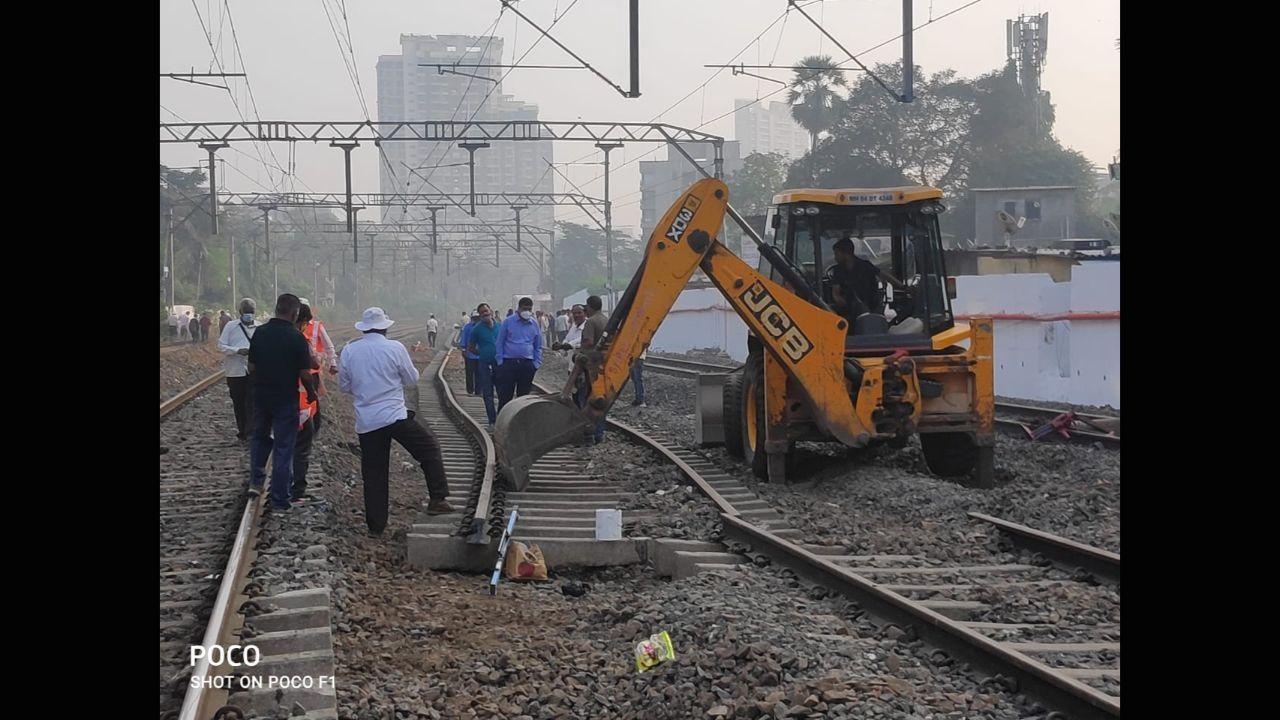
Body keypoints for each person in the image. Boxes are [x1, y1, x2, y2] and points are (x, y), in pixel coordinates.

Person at [339, 307, 453, 536]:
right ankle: (437, 499)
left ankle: (376, 526)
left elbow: (345, 386)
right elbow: (412, 379)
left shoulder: (349, 351)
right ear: (384, 327)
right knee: (429, 449)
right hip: (394, 415)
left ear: (364, 328)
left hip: (367, 421)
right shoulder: (395, 348)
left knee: (374, 473)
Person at [248, 294, 318, 511]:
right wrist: (311, 393)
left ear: (276, 308)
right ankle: (280, 499)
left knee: (259, 437)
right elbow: (305, 374)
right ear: (295, 313)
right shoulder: (297, 338)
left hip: (261, 395)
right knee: (284, 446)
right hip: (285, 399)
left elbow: (251, 367)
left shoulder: (260, 332)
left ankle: (256, 481)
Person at [827, 237, 905, 325]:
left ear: (846, 253)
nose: (835, 257)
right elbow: (836, 291)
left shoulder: (865, 266)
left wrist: (904, 287)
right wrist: (839, 300)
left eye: (837, 254)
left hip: (871, 306)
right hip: (848, 308)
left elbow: (884, 275)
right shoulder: (838, 270)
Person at [218, 298, 258, 442]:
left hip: (254, 371)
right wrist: (237, 351)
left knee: (253, 401)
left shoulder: (259, 328)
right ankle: (242, 429)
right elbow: (221, 346)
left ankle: (251, 430)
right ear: (240, 312)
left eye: (251, 312)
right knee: (239, 402)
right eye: (246, 311)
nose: (248, 314)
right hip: (235, 372)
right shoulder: (230, 326)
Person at [494, 296, 542, 411]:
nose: (527, 312)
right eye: (524, 309)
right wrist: (500, 361)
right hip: (509, 363)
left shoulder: (534, 324)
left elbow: (538, 346)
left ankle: (520, 424)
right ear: (519, 308)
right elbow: (499, 342)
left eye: (529, 309)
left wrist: (536, 363)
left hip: (527, 364)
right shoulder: (508, 322)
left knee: (524, 397)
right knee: (505, 395)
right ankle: (501, 421)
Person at [578, 295, 610, 444]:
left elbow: (589, 342)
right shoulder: (606, 320)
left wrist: (581, 353)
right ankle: (599, 432)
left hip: (591, 366)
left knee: (586, 399)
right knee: (600, 400)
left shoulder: (591, 322)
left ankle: (588, 434)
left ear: (590, 307)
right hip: (604, 365)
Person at [467, 303, 500, 429]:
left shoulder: (500, 326)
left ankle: (501, 419)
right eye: (482, 313)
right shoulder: (477, 329)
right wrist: (483, 353)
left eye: (486, 311)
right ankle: (492, 421)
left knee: (502, 391)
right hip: (484, 364)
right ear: (480, 315)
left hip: (499, 364)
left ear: (490, 311)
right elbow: (471, 347)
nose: (485, 313)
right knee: (488, 393)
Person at [458, 312, 480, 394]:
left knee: (479, 374)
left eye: (477, 318)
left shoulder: (483, 327)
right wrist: (463, 350)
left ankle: (478, 390)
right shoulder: (467, 327)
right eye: (475, 318)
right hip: (469, 354)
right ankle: (470, 390)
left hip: (480, 355)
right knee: (469, 373)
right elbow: (463, 339)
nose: (476, 319)